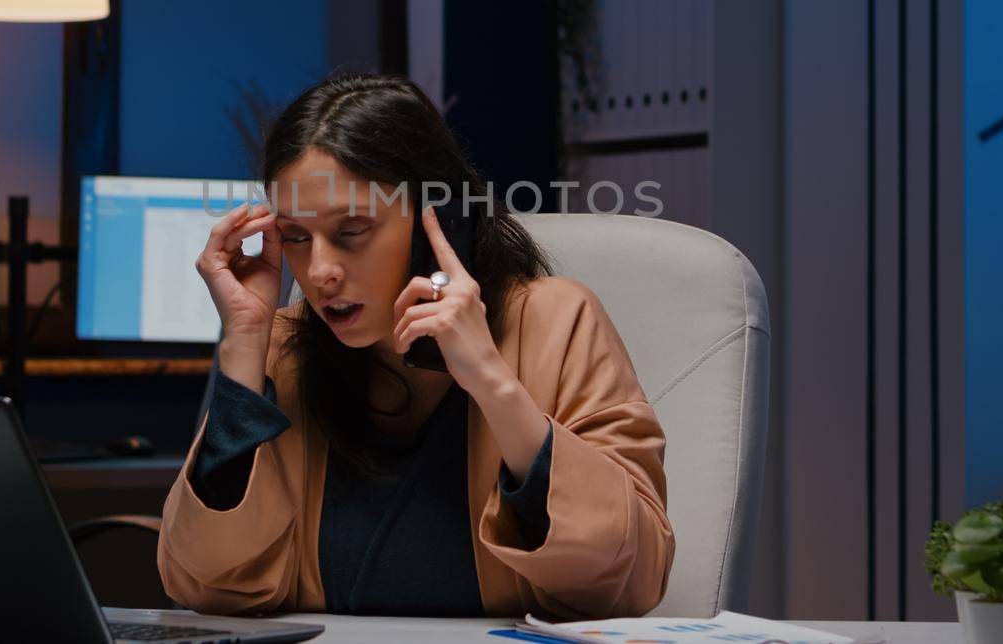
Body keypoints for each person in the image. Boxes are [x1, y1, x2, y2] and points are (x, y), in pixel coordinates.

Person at [159, 73, 673, 618]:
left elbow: (631, 578)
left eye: (353, 230)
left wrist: (491, 382)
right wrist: (242, 348)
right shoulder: (282, 351)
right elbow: (203, 584)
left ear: (442, 224)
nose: (320, 271)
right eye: (298, 237)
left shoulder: (556, 321)